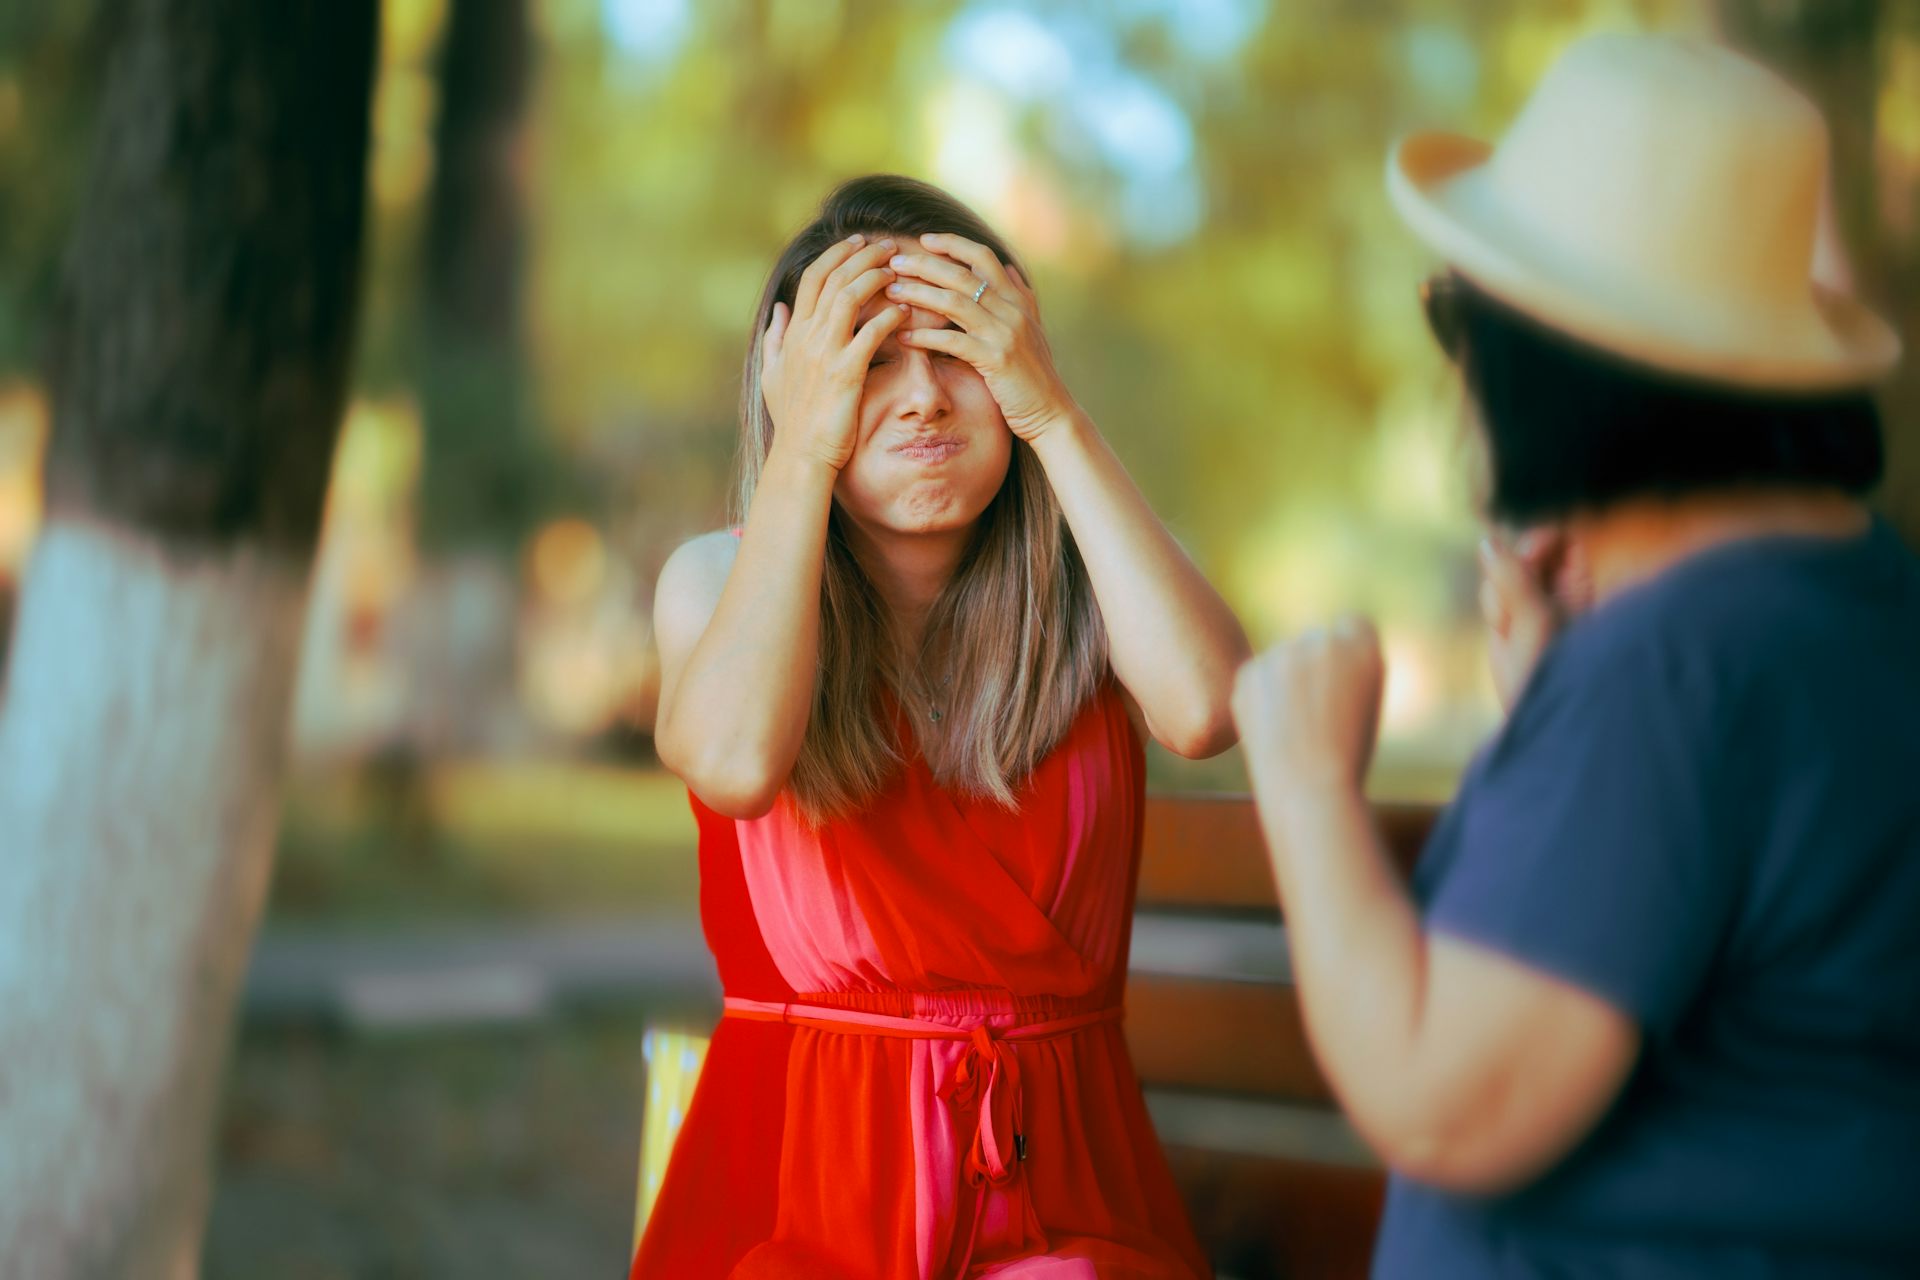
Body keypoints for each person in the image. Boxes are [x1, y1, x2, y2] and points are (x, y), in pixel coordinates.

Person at [1230, 33, 1920, 1278]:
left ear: (1548, 368)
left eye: (1467, 330)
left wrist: (1302, 773)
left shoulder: (1673, 667)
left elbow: (1444, 1100)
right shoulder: (1857, 604)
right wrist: (1559, 707)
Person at [634, 173, 1246, 1278]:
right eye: (869, 359)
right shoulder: (714, 578)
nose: (922, 396)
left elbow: (1207, 708)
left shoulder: (1094, 582)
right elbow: (731, 761)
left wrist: (1052, 413)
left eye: (958, 349)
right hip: (796, 1201)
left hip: (1067, 1204)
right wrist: (804, 453)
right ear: (792, 377)